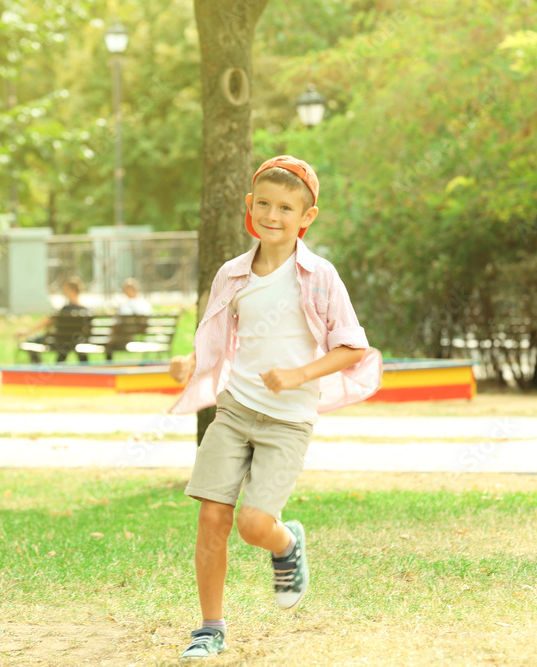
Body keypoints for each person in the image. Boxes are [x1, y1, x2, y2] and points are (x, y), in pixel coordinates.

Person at [166, 155, 383, 658]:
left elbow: (353, 347)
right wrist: (190, 362)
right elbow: (216, 342)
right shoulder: (232, 275)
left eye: (286, 207)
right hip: (235, 408)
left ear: (306, 217)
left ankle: (286, 544)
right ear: (249, 206)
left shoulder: (321, 276)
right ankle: (210, 627)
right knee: (212, 519)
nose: (272, 214)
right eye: (263, 203)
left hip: (288, 420)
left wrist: (298, 377)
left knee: (254, 526)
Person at [13, 276, 93, 363]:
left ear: (71, 290)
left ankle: (37, 368)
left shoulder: (65, 310)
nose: (64, 293)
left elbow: (46, 322)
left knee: (30, 342)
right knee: (66, 349)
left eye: (65, 290)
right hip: (76, 342)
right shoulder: (87, 311)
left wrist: (27, 331)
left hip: (58, 342)